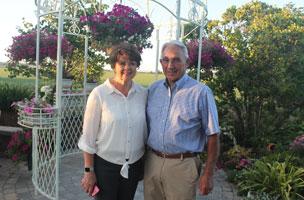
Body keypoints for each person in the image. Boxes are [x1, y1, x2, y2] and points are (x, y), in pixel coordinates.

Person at [144, 40, 220, 200]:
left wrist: (208, 174)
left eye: (176, 59)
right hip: (152, 162)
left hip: (182, 166)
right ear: (161, 62)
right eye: (166, 60)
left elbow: (213, 135)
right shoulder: (153, 89)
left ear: (187, 62)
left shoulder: (200, 92)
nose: (170, 65)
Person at [78, 42, 147, 200]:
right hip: (105, 167)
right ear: (113, 65)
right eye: (122, 63)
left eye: (132, 63)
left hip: (134, 165)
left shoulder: (143, 94)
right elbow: (88, 138)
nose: (127, 67)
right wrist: (89, 172)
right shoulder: (99, 94)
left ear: (137, 66)